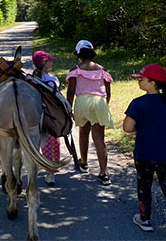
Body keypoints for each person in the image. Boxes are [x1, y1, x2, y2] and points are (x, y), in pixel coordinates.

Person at [124, 63, 166, 241]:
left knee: (144, 185)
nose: (139, 81)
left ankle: (145, 219)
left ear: (152, 83)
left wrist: (144, 126)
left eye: (142, 79)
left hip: (144, 154)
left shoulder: (138, 103)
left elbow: (127, 128)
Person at [66, 40, 114, 185]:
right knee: (99, 138)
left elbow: (71, 92)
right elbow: (108, 92)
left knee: (83, 132)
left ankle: (84, 163)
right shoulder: (102, 70)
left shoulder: (75, 70)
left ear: (78, 54)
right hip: (99, 102)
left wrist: (69, 108)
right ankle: (104, 173)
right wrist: (104, 105)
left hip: (82, 102)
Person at [32, 50, 61, 186]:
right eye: (50, 60)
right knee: (54, 141)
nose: (52, 62)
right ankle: (52, 168)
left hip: (37, 115)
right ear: (45, 64)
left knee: (44, 143)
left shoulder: (32, 80)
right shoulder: (52, 80)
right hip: (52, 115)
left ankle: (48, 168)